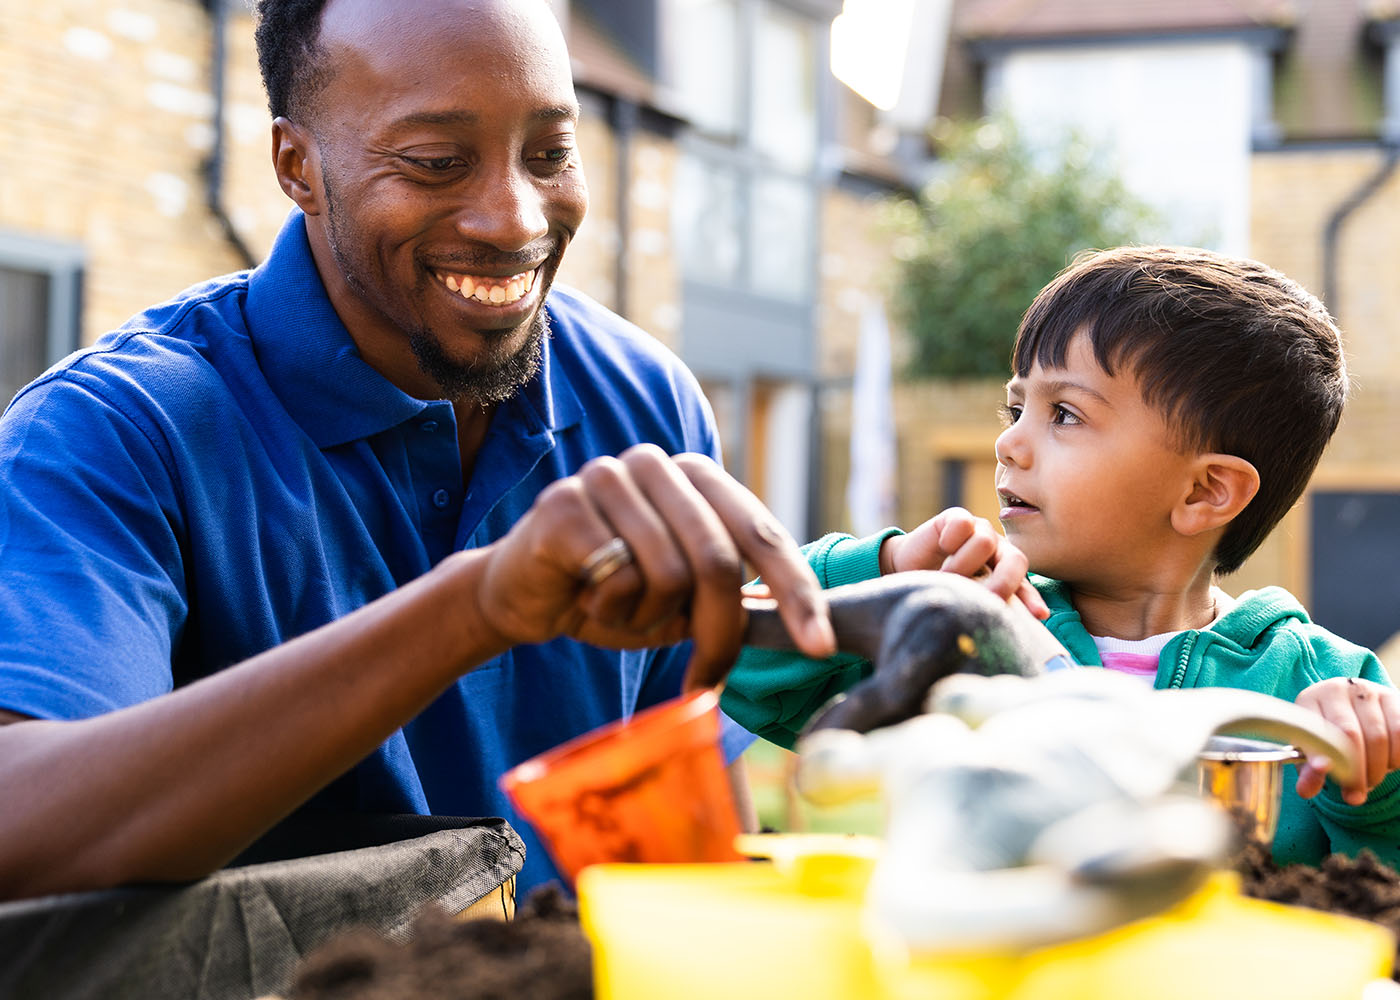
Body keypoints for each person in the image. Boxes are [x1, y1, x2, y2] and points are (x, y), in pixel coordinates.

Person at [0, 0, 1033, 903]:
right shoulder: (111, 434)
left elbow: (676, 757)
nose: (514, 217)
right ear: (295, 165)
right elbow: (20, 821)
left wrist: (874, 608)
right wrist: (476, 602)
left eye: (549, 152)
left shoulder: (641, 397)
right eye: (436, 162)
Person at [723, 246, 1400, 869]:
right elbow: (732, 660)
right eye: (1014, 408)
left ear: (1204, 491)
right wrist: (889, 572)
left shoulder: (1316, 686)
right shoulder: (965, 629)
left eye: (1064, 415)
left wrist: (1370, 779)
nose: (1009, 444)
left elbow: (1375, 897)